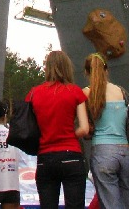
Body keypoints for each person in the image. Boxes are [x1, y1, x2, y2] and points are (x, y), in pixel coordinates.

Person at [25, 50, 89, 209]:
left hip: (45, 158)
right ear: (67, 67)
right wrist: (69, 135)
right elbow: (84, 128)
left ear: (47, 68)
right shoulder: (75, 91)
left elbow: (29, 125)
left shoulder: (34, 93)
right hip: (71, 156)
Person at [83, 52, 129, 209]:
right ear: (106, 70)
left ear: (87, 72)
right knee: (128, 203)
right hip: (125, 152)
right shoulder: (120, 91)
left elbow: (86, 129)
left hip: (102, 151)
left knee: (110, 204)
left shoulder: (87, 93)